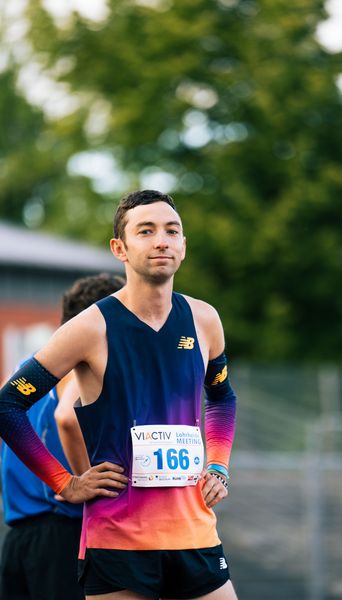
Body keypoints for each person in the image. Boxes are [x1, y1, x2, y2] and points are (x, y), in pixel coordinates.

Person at [0, 190, 238, 600]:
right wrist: (65, 483)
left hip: (195, 533)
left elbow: (221, 398)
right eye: (145, 231)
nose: (161, 240)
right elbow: (8, 405)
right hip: (119, 541)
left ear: (183, 245)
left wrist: (218, 466)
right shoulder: (90, 327)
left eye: (171, 230)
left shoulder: (205, 319)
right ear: (120, 248)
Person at [0, 272, 125, 600]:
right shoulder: (81, 366)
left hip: (17, 540)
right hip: (61, 536)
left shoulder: (30, 369)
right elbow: (67, 417)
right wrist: (81, 482)